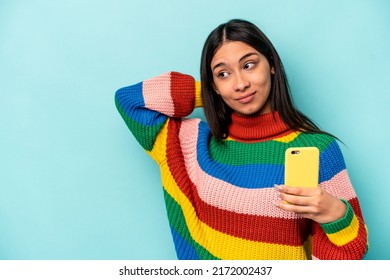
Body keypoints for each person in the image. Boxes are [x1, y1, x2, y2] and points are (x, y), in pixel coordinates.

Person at [115, 19, 368, 260]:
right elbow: (130, 101)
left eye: (248, 65)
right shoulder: (194, 144)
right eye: (223, 74)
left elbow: (352, 251)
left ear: (271, 64)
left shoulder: (317, 149)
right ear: (213, 84)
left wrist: (338, 215)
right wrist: (213, 94)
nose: (240, 84)